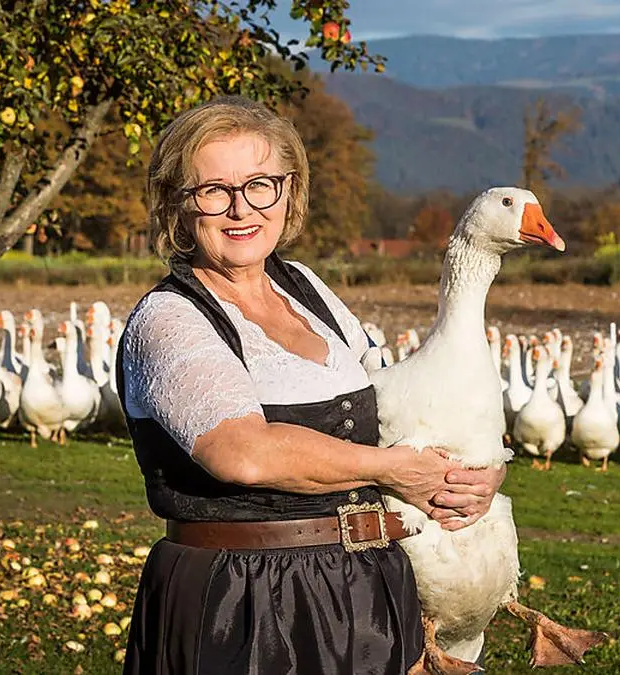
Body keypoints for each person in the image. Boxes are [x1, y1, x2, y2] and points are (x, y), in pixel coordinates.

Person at [119, 95, 507, 674]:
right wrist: (392, 469)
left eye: (259, 184)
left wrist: (477, 472)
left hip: (364, 589)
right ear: (178, 207)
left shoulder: (303, 286)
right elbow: (241, 452)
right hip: (246, 601)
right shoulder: (169, 320)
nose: (240, 209)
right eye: (213, 191)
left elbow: (394, 403)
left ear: (288, 190)